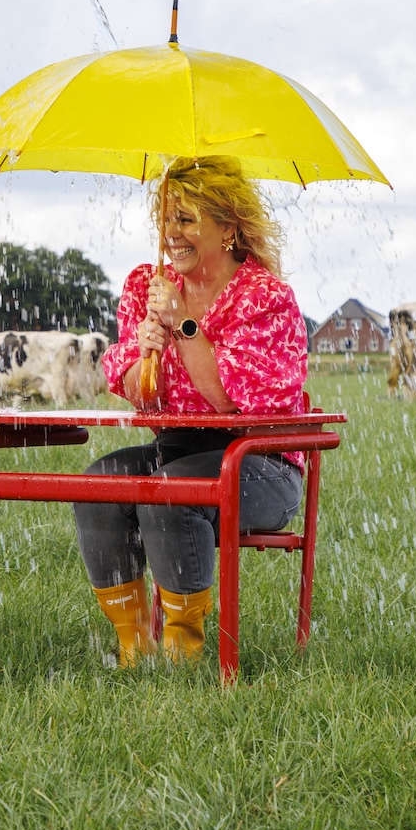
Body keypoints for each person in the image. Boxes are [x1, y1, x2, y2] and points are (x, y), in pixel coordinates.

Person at [75, 157, 310, 664]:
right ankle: (135, 650)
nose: (169, 235)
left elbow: (231, 402)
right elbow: (143, 394)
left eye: (185, 220)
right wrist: (147, 351)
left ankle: (184, 656)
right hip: (175, 449)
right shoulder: (148, 285)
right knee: (99, 484)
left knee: (170, 493)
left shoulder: (265, 298)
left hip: (258, 462)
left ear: (228, 227)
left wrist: (184, 326)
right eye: (164, 220)